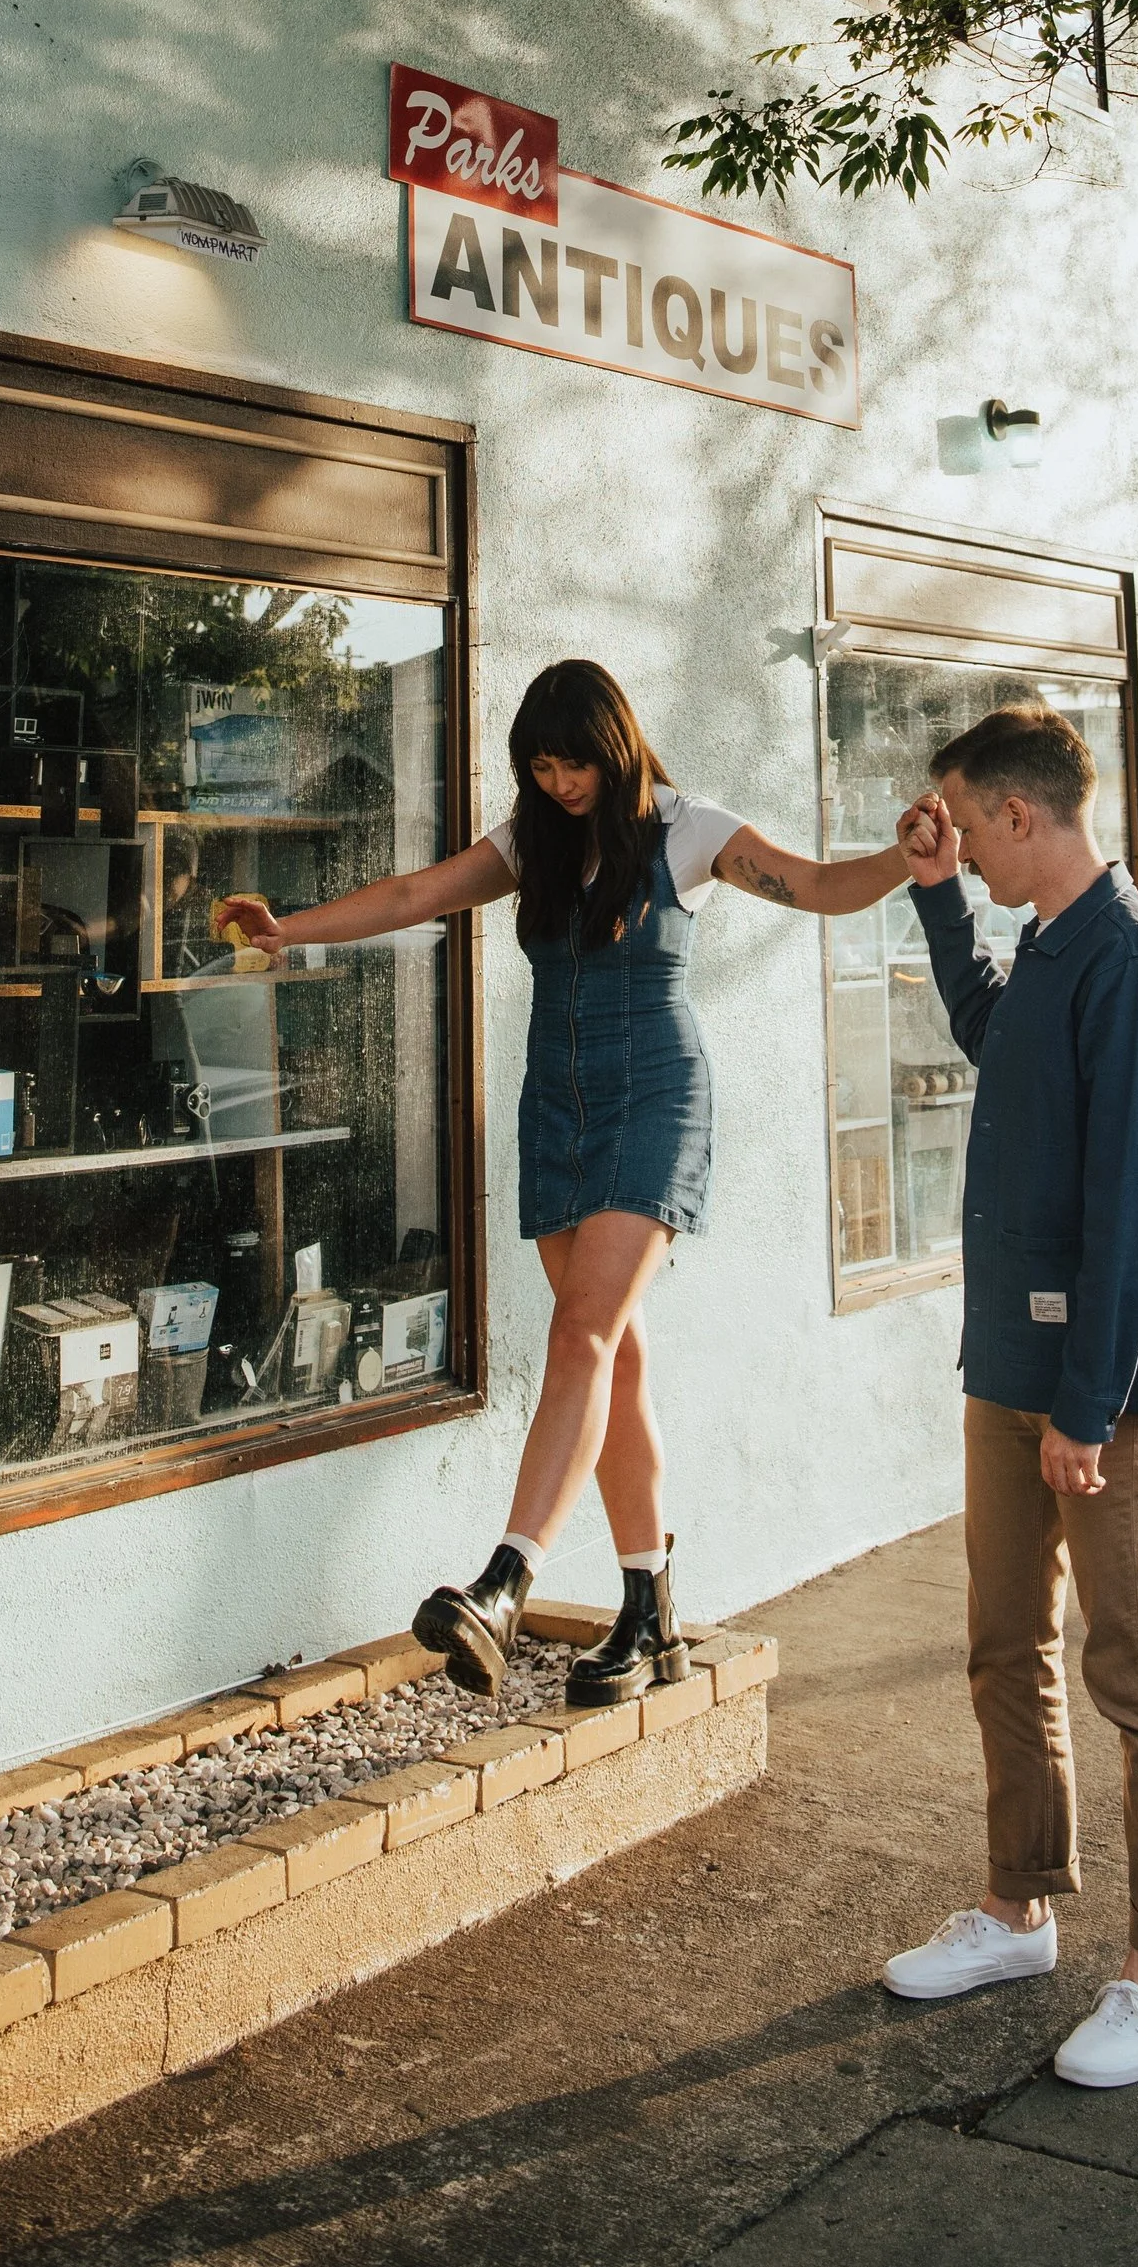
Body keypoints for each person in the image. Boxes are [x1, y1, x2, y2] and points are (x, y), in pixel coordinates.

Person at [216, 656, 913, 1707]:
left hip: (656, 1103)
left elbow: (813, 884)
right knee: (612, 1356)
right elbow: (417, 892)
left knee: (580, 1333)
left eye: (572, 762)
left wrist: (903, 858)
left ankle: (508, 1576)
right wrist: (289, 931)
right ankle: (649, 1611)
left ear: (614, 744)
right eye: (539, 766)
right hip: (558, 1109)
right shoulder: (530, 842)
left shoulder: (687, 829)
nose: (557, 783)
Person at [879, 703, 1138, 2094]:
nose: (964, 842)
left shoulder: (1136, 969)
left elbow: (1136, 1214)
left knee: (1134, 1669)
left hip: (1109, 1394)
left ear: (1021, 813)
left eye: (967, 825)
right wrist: (935, 892)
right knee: (1003, 1645)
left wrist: (1085, 1408)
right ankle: (1021, 1910)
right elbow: (986, 1034)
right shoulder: (1042, 944)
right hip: (1009, 1373)